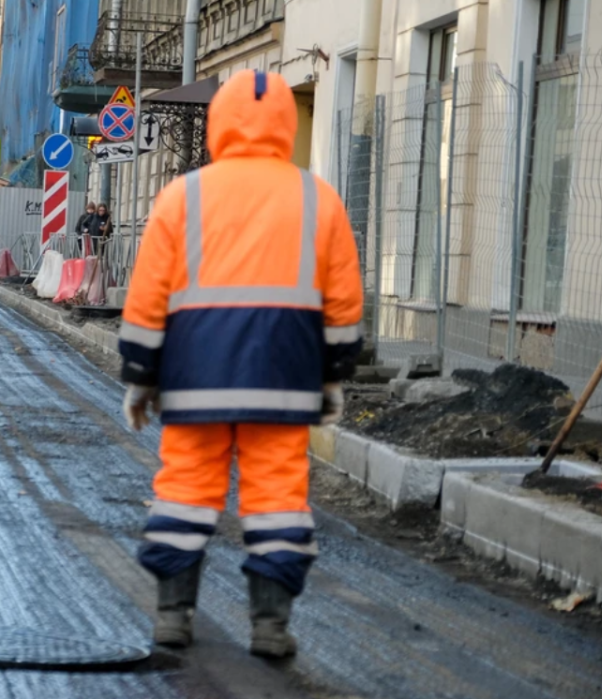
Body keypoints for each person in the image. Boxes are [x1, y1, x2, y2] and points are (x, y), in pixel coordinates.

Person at [118, 70, 364, 658]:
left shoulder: (184, 195)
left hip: (194, 378)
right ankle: (270, 626)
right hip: (284, 378)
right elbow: (343, 301)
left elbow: (149, 295)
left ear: (220, 121)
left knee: (184, 490)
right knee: (278, 495)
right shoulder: (316, 197)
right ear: (287, 124)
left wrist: (139, 376)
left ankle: (173, 616)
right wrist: (333, 374)